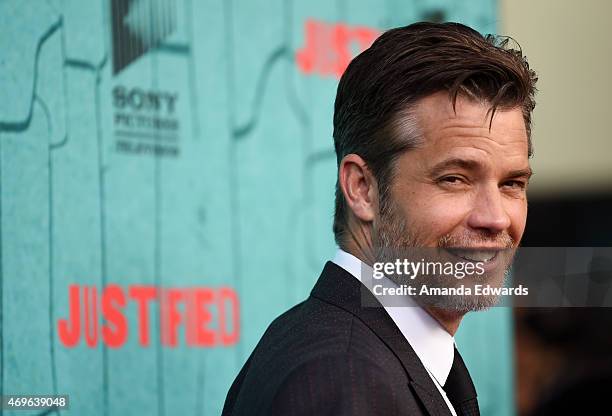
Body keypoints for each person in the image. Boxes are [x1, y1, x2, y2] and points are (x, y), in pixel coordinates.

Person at [222, 21, 537, 416]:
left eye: (512, 184)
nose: (495, 218)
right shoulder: (344, 378)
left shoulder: (354, 355)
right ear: (362, 189)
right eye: (454, 179)